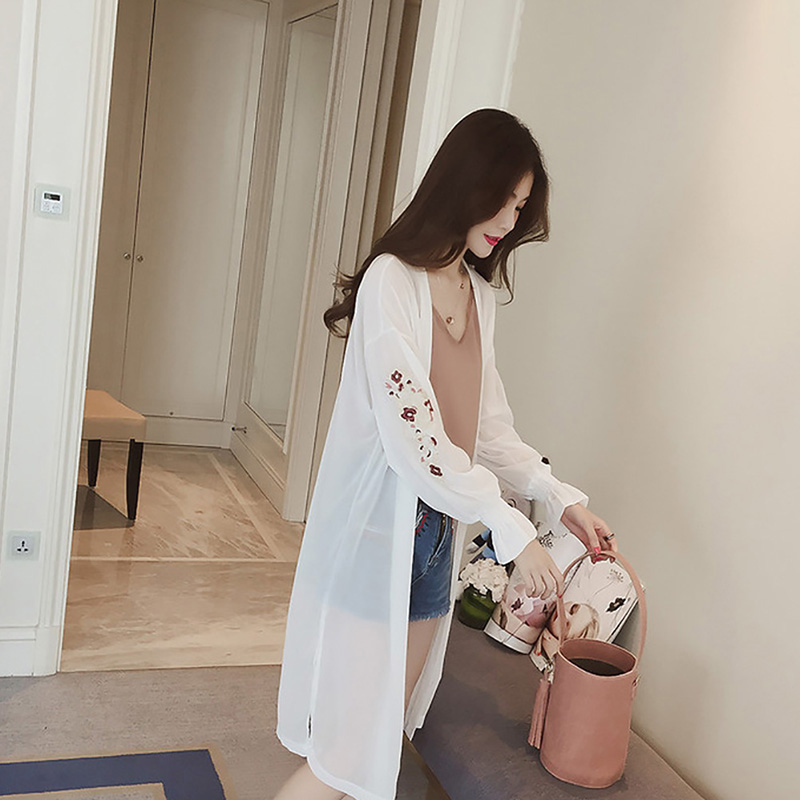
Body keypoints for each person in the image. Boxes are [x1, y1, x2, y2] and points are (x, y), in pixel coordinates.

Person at [272, 108, 619, 800]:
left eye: (520, 207)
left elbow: (487, 429)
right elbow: (418, 442)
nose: (509, 221)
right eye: (504, 199)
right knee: (346, 752)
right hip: (378, 534)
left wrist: (560, 501)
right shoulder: (392, 282)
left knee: (382, 736)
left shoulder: (477, 296)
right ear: (466, 183)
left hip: (435, 541)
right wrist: (513, 530)